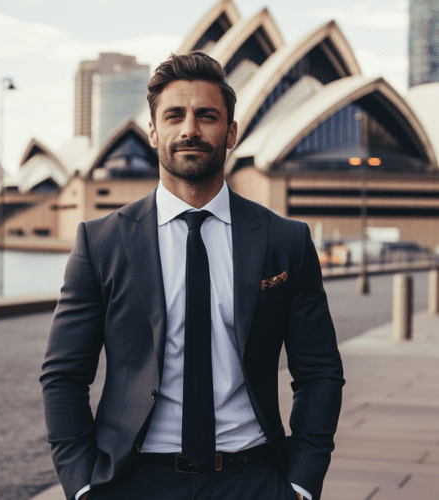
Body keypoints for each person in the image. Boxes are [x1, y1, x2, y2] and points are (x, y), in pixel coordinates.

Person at [40, 51, 344, 500]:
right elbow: (64, 375)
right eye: (174, 115)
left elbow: (319, 371)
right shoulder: (100, 242)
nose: (189, 130)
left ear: (231, 132)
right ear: (152, 130)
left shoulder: (286, 241)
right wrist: (82, 485)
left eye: (207, 116)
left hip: (254, 477)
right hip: (133, 480)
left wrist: (301, 482)